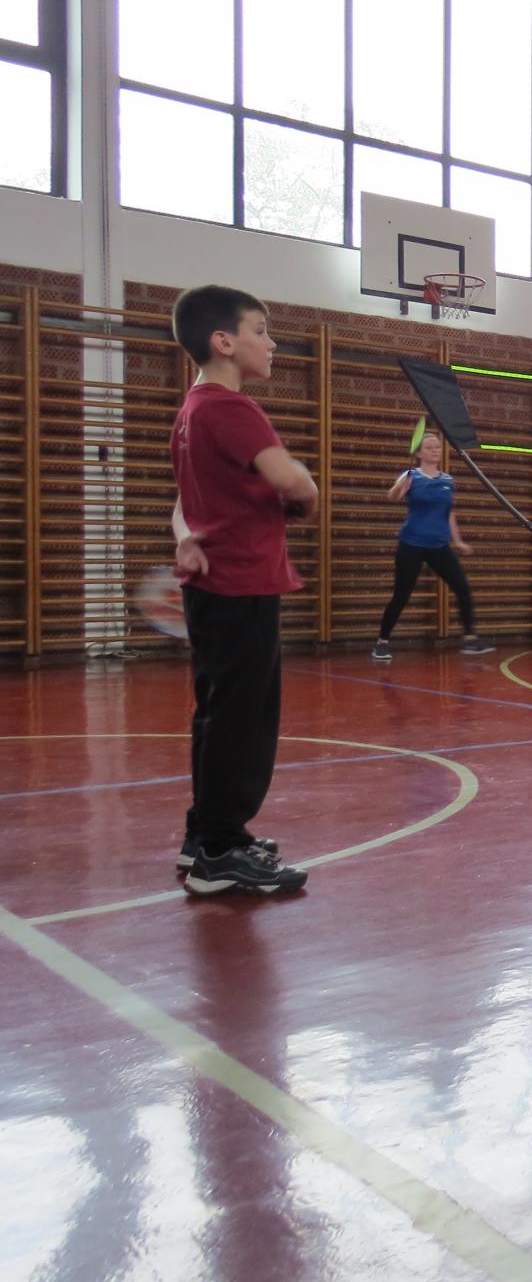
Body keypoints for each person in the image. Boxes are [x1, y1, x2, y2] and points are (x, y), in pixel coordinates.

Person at [168, 285, 314, 895]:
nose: (271, 342)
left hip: (212, 587)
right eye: (260, 330)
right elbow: (292, 480)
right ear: (223, 342)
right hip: (242, 583)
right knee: (243, 721)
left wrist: (185, 538)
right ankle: (220, 853)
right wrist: (306, 488)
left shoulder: (191, 410)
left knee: (218, 714)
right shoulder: (232, 409)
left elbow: (182, 505)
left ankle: (206, 834)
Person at [370, 430, 492, 661]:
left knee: (463, 589)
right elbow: (392, 497)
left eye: (437, 447)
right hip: (411, 544)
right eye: (429, 447)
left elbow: (448, 513)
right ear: (419, 453)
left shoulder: (448, 481)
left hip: (439, 546)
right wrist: (399, 488)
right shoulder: (410, 475)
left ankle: (470, 639)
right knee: (401, 595)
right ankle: (382, 642)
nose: (435, 450)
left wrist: (457, 541)